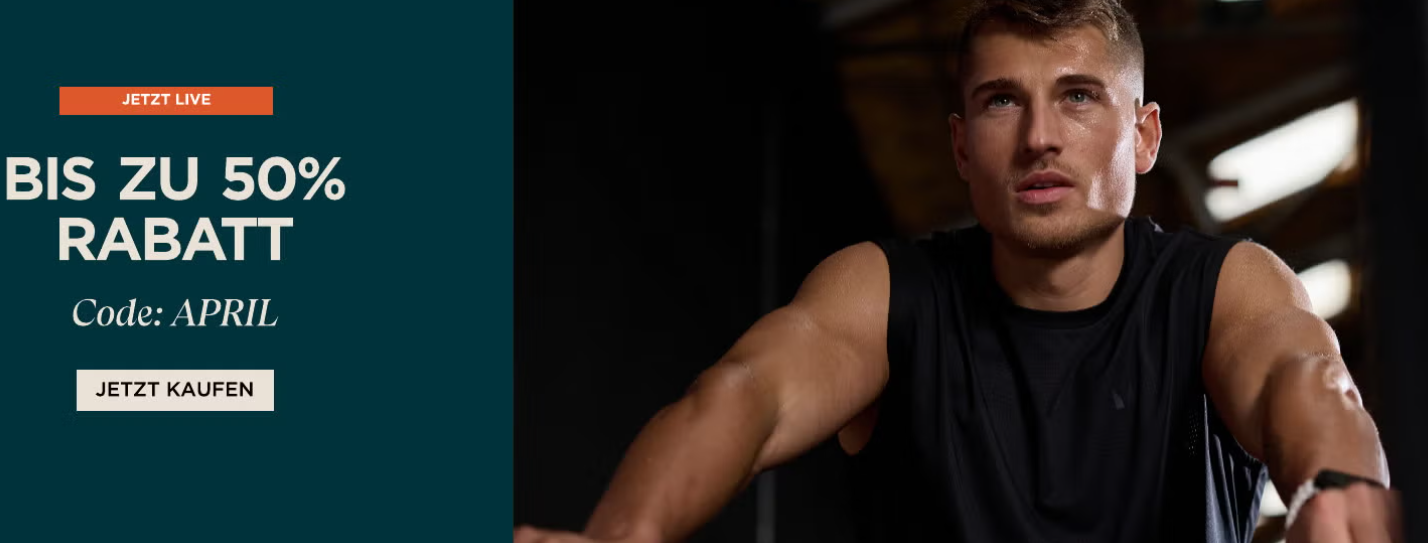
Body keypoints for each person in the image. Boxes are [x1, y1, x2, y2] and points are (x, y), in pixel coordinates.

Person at [515, 0, 1400, 541]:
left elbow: (1303, 375)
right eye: (1002, 101)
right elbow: (746, 394)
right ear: (962, 145)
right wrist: (623, 535)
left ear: (1144, 135)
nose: (1039, 137)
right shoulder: (886, 293)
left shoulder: (1223, 286)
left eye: (1078, 96)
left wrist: (1338, 486)